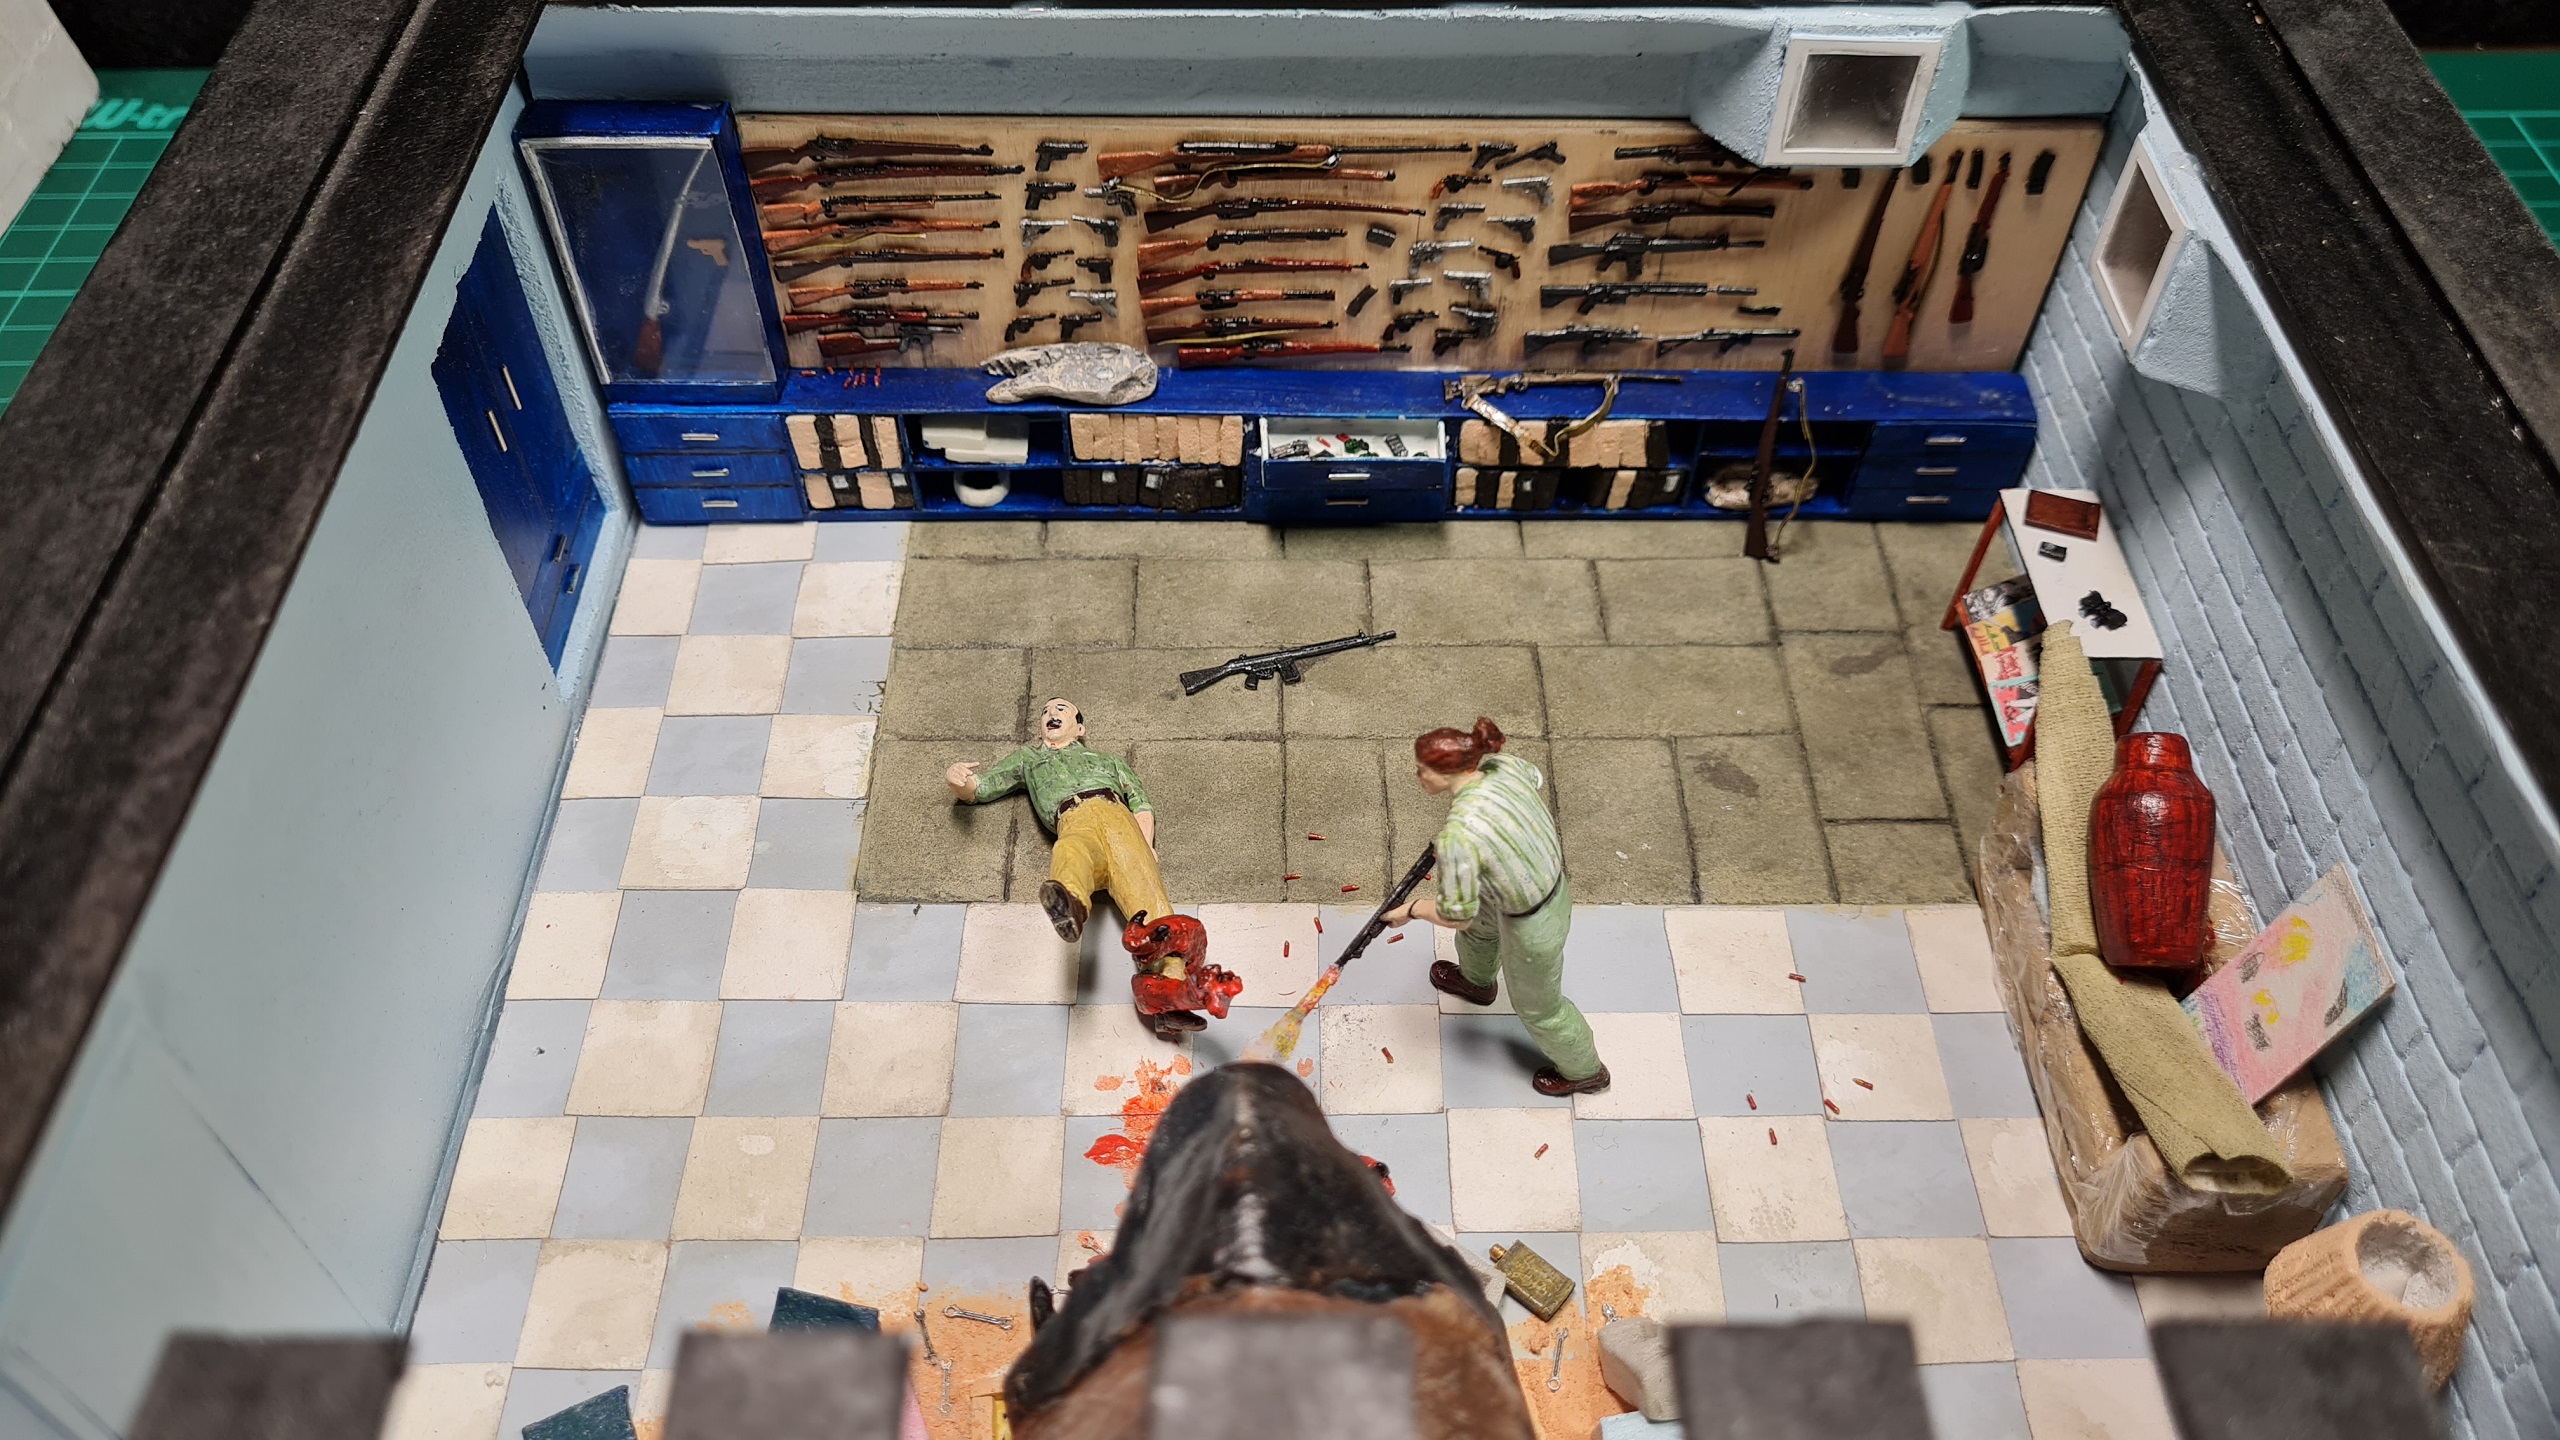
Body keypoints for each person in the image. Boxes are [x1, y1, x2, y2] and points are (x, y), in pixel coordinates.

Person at [1383, 717, 1609, 1097]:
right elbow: (1534, 777)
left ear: (1446, 772)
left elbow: (1455, 915)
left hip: (1533, 920)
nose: (1418, 776)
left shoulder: (1459, 836)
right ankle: (1476, 983)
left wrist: (1412, 909)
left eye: (1422, 769)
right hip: (1516, 886)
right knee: (1478, 936)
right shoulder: (1503, 766)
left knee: (1541, 1008)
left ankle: (1585, 1070)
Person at [947, 697, 1169, 943]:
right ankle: (1070, 905)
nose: (1051, 714)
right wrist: (958, 781)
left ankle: (1169, 960)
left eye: (1060, 709)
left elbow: (1140, 802)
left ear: (1080, 728)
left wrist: (1146, 844)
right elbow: (983, 787)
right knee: (1069, 849)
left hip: (1118, 819)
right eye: (1045, 712)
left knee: (1148, 895)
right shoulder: (1028, 759)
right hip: (1073, 818)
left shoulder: (1109, 760)